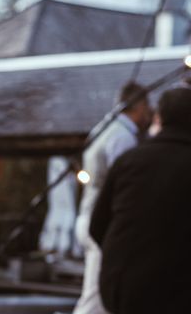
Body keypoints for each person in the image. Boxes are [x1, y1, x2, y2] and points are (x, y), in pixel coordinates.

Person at [90, 85, 191, 314]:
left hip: (123, 287)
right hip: (182, 293)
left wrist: (127, 257)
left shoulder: (128, 162)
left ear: (159, 118)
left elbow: (97, 226)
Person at [73, 81, 151, 314]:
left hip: (88, 215)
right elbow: (124, 187)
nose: (149, 112)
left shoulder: (104, 128)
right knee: (97, 299)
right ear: (139, 106)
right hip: (103, 224)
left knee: (98, 294)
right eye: (147, 106)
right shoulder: (123, 138)